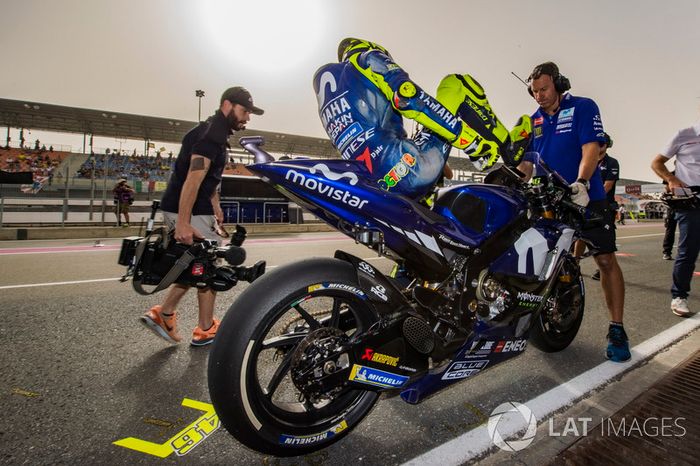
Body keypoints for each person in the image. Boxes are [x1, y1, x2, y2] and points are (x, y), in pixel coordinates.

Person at [313, 38, 530, 200]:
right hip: (410, 170)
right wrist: (470, 142)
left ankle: (426, 204)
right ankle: (508, 146)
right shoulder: (367, 58)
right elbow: (408, 97)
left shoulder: (330, 100)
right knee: (455, 84)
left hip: (377, 187)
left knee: (421, 134)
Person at [517, 62, 630, 362]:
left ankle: (617, 328)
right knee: (540, 258)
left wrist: (581, 182)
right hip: (548, 201)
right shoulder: (533, 120)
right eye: (534, 91)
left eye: (544, 89)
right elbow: (527, 164)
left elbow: (590, 149)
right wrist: (513, 179)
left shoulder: (583, 107)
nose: (539, 96)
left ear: (558, 84)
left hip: (585, 197)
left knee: (605, 260)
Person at [140, 86, 264, 346]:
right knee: (207, 268)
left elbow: (208, 180)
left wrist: (215, 206)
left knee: (193, 264)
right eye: (245, 111)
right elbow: (193, 179)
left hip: (193, 208)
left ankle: (164, 314)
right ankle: (205, 328)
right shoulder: (212, 135)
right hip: (189, 210)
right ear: (227, 105)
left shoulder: (211, 132)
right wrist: (183, 222)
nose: (247, 118)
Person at [651, 120, 700, 318]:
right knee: (688, 251)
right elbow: (656, 163)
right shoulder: (684, 134)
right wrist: (671, 179)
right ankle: (679, 296)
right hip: (691, 201)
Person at [590, 132, 620, 281]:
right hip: (584, 205)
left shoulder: (612, 163)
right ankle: (575, 261)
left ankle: (601, 269)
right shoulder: (587, 161)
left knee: (606, 241)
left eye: (600, 144)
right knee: (579, 237)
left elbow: (607, 187)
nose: (597, 146)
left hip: (604, 206)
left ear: (606, 145)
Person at [661, 172, 677, 260]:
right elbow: (667, 189)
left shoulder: (689, 172)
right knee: (670, 230)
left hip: (688, 205)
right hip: (673, 206)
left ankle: (686, 252)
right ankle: (667, 252)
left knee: (688, 230)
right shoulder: (670, 174)